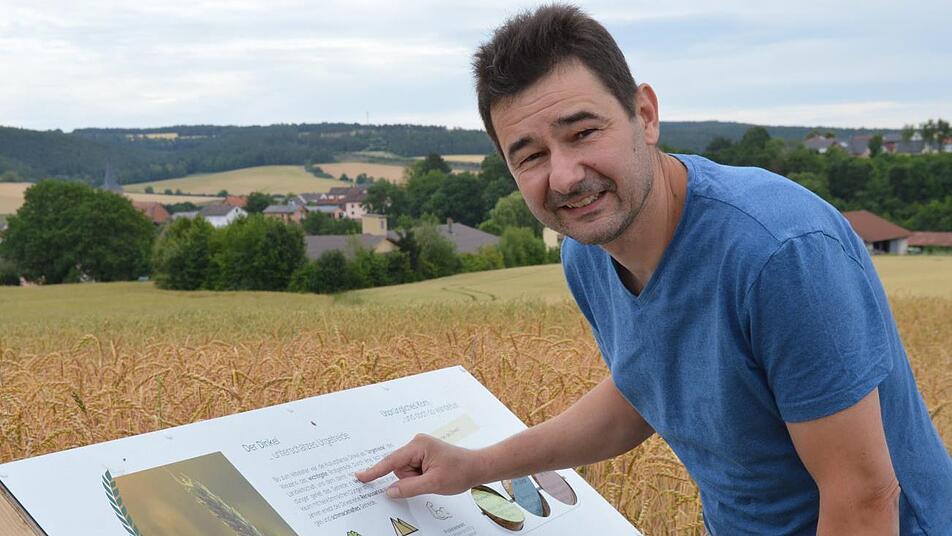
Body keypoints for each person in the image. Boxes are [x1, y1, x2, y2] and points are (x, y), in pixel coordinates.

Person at [357, 5, 952, 534]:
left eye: (583, 132)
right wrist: (476, 465)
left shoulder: (777, 253)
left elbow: (863, 499)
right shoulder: (587, 253)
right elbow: (643, 390)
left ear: (644, 114)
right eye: (531, 155)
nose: (564, 176)